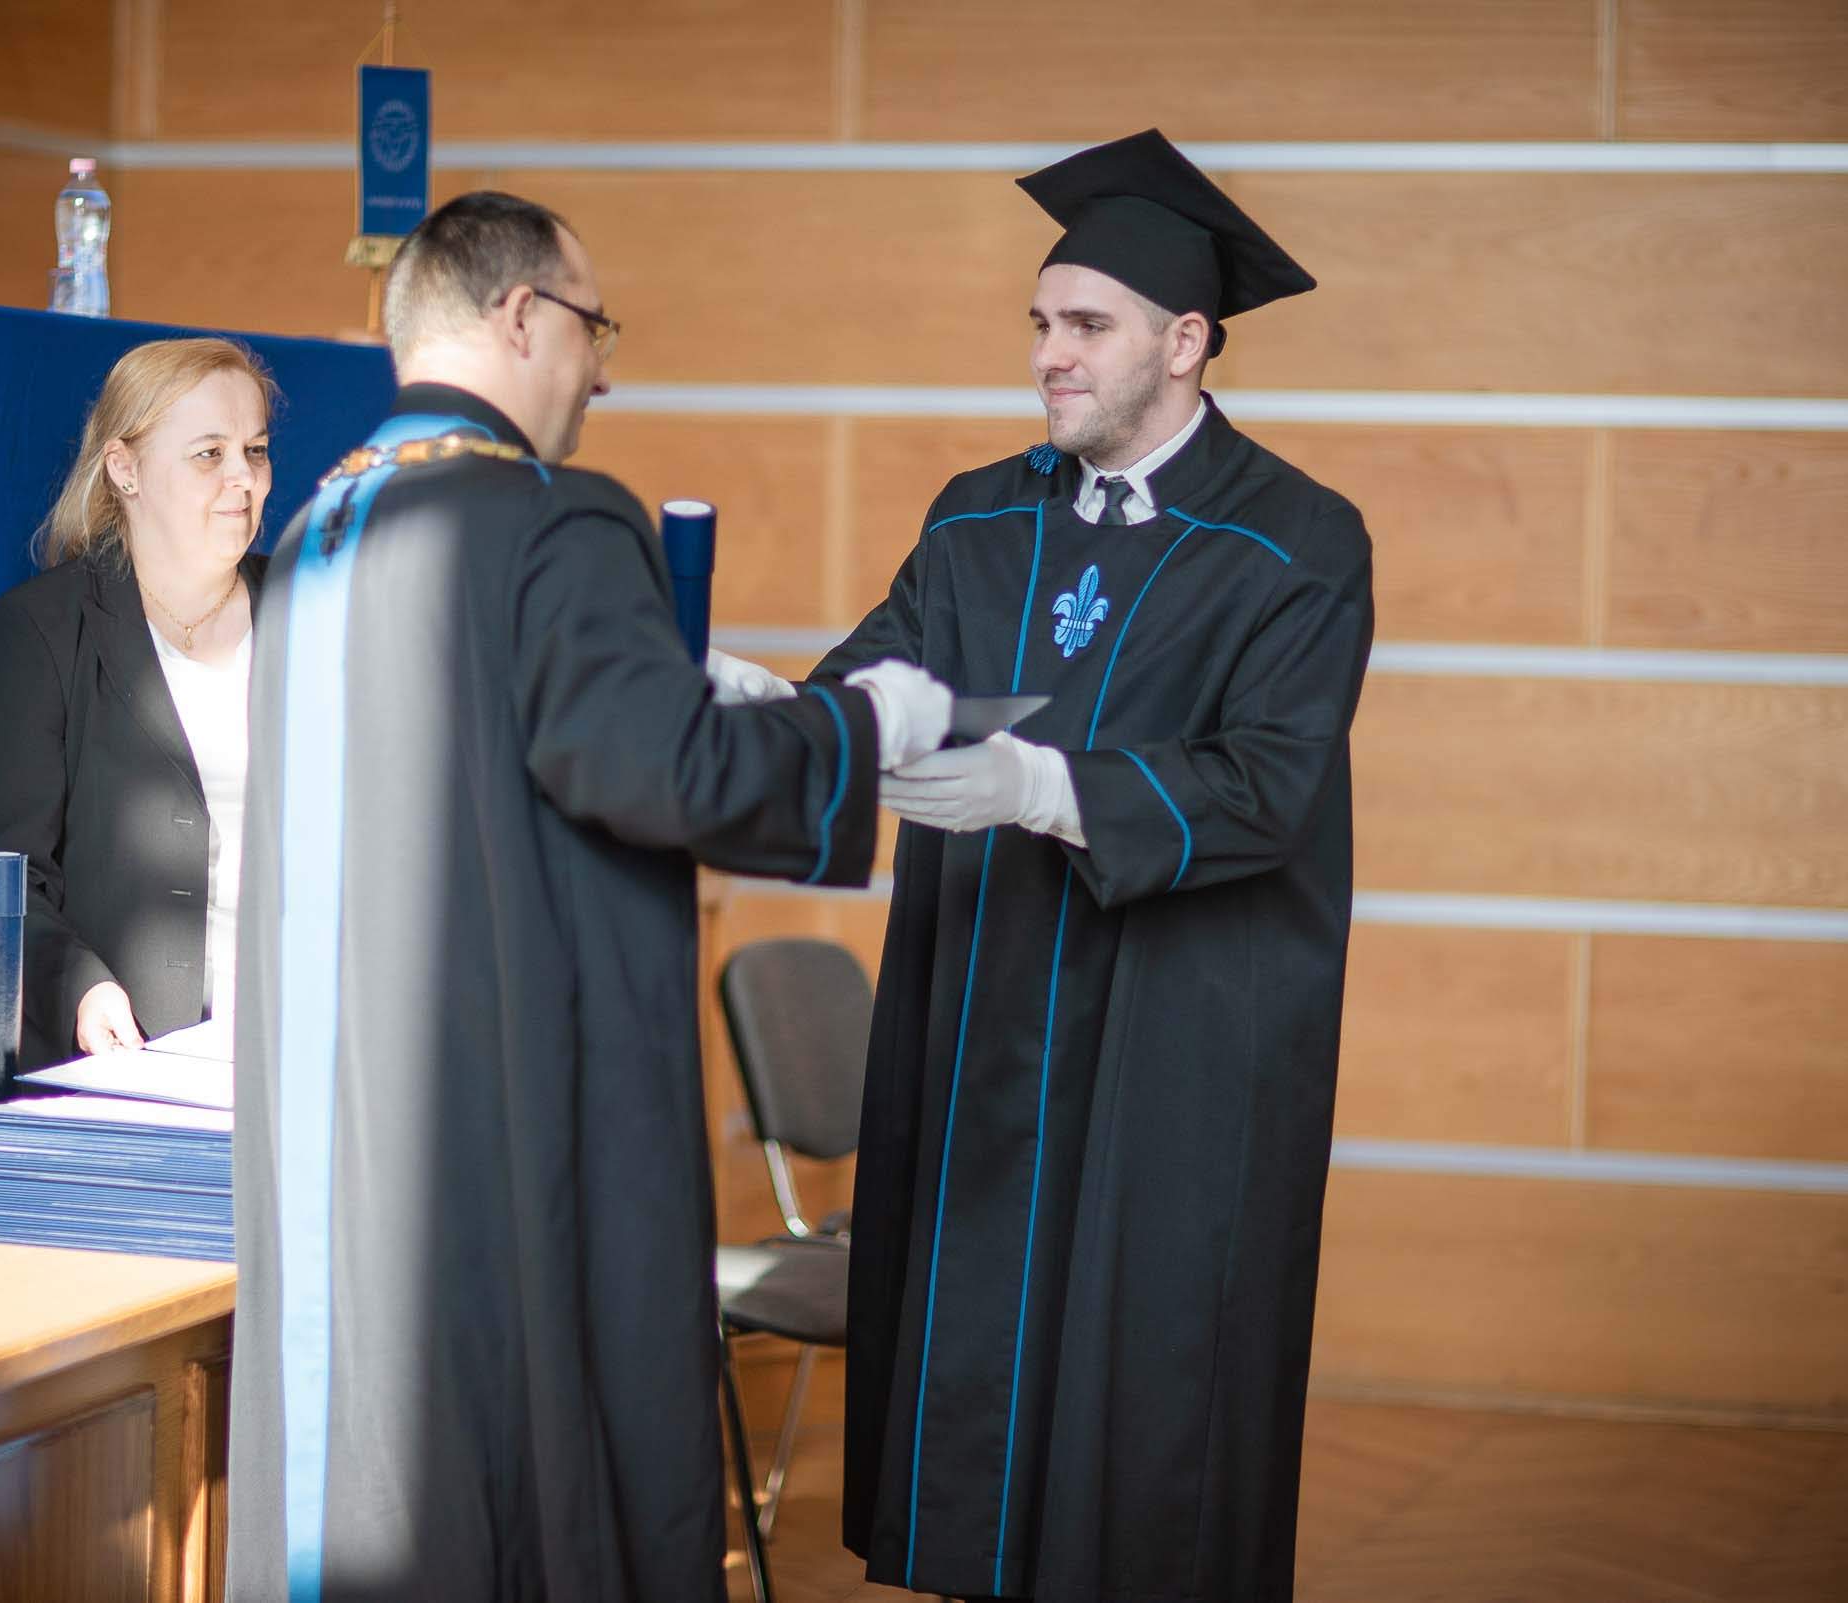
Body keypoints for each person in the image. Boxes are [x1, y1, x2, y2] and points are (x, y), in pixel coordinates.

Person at [222, 191, 950, 1601]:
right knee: (532, 1491)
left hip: (341, 1132)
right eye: (594, 328)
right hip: (505, 1122)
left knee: (368, 1477)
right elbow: (667, 771)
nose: (602, 372)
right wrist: (864, 724)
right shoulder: (548, 522)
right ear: (519, 316)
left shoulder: (314, 530)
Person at [813, 130, 1377, 1603]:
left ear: (1184, 343)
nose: (1049, 356)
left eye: (1086, 326)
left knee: (1146, 1417)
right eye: (1040, 324)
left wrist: (1041, 784)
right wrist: (766, 715)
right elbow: (870, 685)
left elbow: (1268, 783)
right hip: (983, 1014)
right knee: (974, 1397)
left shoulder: (1297, 541)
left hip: (1171, 1040)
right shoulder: (978, 514)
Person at [0, 336, 276, 1067]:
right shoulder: (39, 631)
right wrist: (80, 990)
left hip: (301, 1048)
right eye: (209, 454)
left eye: (255, 451)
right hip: (128, 1062)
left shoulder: (315, 614)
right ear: (125, 468)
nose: (242, 478)